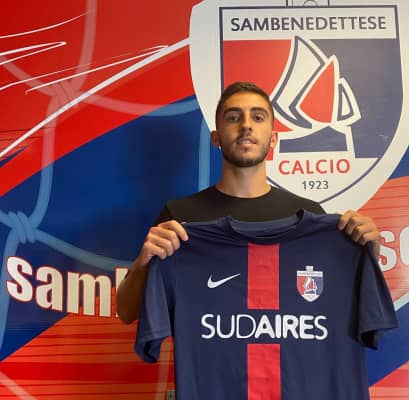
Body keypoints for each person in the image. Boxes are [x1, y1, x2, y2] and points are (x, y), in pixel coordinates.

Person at [116, 81, 381, 324]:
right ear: (216, 138)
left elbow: (343, 306)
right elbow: (128, 312)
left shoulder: (308, 215)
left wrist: (370, 252)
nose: (246, 125)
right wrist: (142, 264)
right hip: (209, 363)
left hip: (290, 362)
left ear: (273, 139)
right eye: (233, 117)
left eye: (258, 117)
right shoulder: (180, 217)